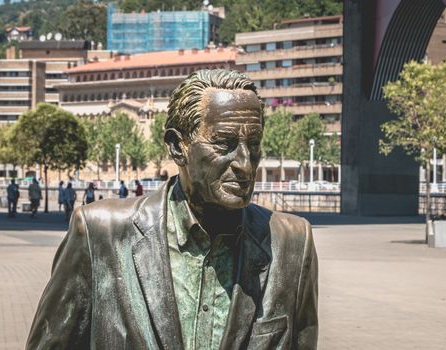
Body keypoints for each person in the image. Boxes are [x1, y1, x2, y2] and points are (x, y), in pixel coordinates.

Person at [27, 70, 318, 349]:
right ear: (178, 147)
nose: (244, 163)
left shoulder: (291, 242)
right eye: (224, 143)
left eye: (253, 144)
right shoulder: (100, 234)